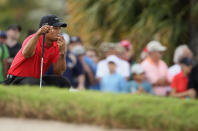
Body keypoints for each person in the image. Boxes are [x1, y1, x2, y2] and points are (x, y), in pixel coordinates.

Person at [4, 15, 70, 87]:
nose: (58, 32)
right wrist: (38, 34)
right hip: (16, 78)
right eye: (55, 28)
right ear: (45, 29)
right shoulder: (32, 38)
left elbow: (58, 73)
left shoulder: (57, 45)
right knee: (37, 83)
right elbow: (27, 54)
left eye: (59, 29)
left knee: (63, 82)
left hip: (35, 80)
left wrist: (62, 53)